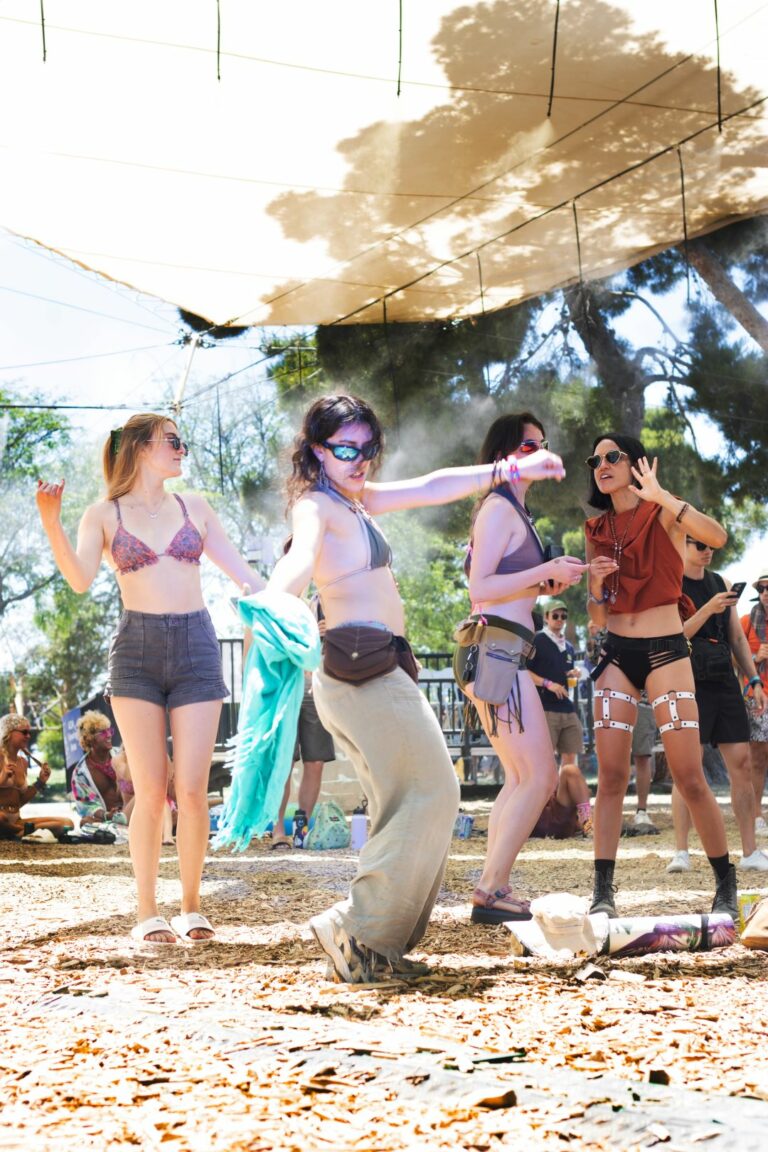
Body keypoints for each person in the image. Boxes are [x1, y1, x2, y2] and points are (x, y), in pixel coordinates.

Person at [266, 394, 566, 981]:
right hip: (359, 668)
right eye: (345, 449)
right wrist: (276, 601)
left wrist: (508, 469)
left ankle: (374, 942)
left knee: (408, 799)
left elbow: (433, 486)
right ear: (316, 451)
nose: (360, 460)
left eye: (369, 448)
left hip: (378, 666)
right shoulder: (316, 506)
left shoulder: (356, 500)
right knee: (433, 790)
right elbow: (299, 557)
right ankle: (359, 931)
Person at [35, 412, 262, 943]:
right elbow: (79, 579)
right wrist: (51, 522)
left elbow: (245, 577)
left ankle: (191, 906)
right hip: (135, 652)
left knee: (193, 788)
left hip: (196, 647)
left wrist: (286, 604)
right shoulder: (103, 514)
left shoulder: (195, 508)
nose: (182, 449)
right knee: (152, 790)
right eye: (172, 440)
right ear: (140, 447)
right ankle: (146, 911)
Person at [584, 434, 738, 919]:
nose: (602, 465)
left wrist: (663, 496)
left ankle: (725, 885)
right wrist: (594, 584)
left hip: (667, 651)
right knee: (611, 777)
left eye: (612, 456)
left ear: (635, 464)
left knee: (690, 776)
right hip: (616, 653)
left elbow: (717, 537)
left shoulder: (663, 512)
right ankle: (603, 893)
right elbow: (596, 617)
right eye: (595, 460)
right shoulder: (595, 527)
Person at [454, 413, 587, 923]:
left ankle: (493, 886)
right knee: (539, 776)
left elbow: (504, 587)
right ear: (502, 456)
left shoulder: (511, 510)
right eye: (528, 446)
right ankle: (491, 888)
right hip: (497, 652)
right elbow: (481, 588)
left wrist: (546, 582)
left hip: (500, 650)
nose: (540, 451)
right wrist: (546, 571)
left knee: (519, 776)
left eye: (542, 444)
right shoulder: (498, 508)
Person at [667, 538, 767, 874]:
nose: (707, 550)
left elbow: (736, 638)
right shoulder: (671, 581)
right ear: (681, 544)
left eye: (710, 544)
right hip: (687, 679)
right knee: (687, 768)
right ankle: (681, 851)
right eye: (698, 544)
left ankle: (750, 851)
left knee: (742, 764)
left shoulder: (721, 582)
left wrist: (754, 680)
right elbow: (676, 635)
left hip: (724, 680)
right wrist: (708, 608)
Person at [271, 672, 336, 849]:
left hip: (316, 686)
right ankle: (278, 830)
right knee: (284, 763)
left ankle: (302, 830)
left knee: (316, 762)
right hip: (284, 685)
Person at [527, 599, 585, 783]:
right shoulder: (537, 640)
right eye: (556, 615)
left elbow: (564, 673)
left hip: (567, 707)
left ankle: (562, 795)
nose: (560, 619)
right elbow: (523, 671)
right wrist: (547, 683)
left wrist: (572, 673)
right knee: (545, 759)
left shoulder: (569, 647)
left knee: (570, 757)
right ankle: (545, 795)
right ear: (546, 617)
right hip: (544, 708)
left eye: (563, 616)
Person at [0, 714, 75, 841]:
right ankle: (23, 831)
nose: (28, 736)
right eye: (24, 732)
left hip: (15, 821)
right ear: (9, 732)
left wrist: (40, 782)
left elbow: (19, 802)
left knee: (67, 823)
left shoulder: (23, 762)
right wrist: (2, 778)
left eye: (29, 733)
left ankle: (19, 832)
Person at [741, 571, 768, 838]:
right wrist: (754, 656)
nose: (766, 593)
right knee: (757, 757)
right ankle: (757, 813)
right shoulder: (746, 621)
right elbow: (731, 655)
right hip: (757, 696)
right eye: (761, 589)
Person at [71, 710, 124, 826]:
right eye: (103, 732)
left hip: (132, 811)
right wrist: (107, 815)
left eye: (109, 730)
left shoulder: (123, 756)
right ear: (90, 738)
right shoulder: (80, 773)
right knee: (85, 822)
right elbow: (86, 806)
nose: (109, 735)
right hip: (107, 819)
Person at [530, 762, 593, 839]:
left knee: (570, 770)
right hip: (533, 819)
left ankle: (587, 824)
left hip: (557, 812)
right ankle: (585, 825)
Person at [630, 692, 657, 829]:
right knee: (613, 760)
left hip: (642, 703)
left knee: (642, 757)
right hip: (613, 701)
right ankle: (609, 812)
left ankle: (641, 811)